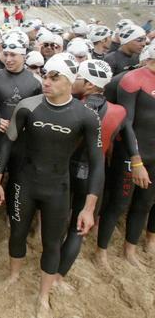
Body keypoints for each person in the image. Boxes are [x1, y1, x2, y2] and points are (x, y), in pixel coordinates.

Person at [0, 53, 104, 317]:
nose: (47, 81)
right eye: (45, 75)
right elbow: (7, 143)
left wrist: (88, 208)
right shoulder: (28, 106)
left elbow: (97, 164)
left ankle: (43, 295)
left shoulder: (86, 116)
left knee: (52, 243)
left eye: (55, 77)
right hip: (24, 183)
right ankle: (14, 275)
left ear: (69, 81)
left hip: (58, 188)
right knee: (17, 234)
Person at [56, 59, 139, 287]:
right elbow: (128, 139)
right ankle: (58, 277)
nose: (73, 82)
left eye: (78, 79)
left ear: (90, 85)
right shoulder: (120, 112)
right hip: (94, 174)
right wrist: (137, 161)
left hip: (63, 170)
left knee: (57, 222)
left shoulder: (69, 105)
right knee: (77, 228)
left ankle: (48, 266)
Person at [0, 35, 42, 222]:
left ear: (24, 56)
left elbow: (41, 112)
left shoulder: (36, 81)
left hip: (22, 141)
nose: (8, 59)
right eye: (5, 54)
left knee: (17, 180)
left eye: (14, 55)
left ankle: (11, 217)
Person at [106, 44, 155, 267]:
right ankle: (101, 251)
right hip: (132, 152)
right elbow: (126, 123)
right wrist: (136, 160)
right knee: (118, 203)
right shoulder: (133, 79)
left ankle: (130, 249)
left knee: (145, 203)